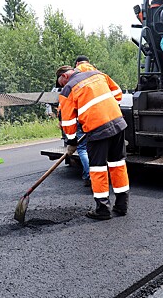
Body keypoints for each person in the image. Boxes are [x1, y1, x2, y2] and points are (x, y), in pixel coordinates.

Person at [56, 64, 129, 220]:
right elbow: (117, 94)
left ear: (64, 76)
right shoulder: (98, 74)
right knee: (118, 165)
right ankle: (122, 206)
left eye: (60, 83)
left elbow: (68, 121)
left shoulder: (68, 89)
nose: (62, 86)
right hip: (117, 123)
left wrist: (71, 141)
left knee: (98, 169)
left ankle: (103, 210)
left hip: (97, 129)